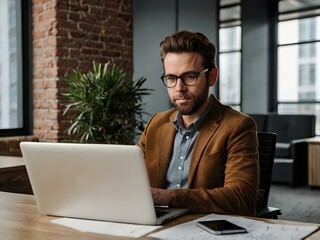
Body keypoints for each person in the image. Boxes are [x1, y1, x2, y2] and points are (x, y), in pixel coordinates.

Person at [137, 30, 259, 216]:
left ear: (212, 76)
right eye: (171, 78)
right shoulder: (156, 124)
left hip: (204, 227)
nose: (179, 88)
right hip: (155, 224)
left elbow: (241, 197)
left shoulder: (238, 126)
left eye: (190, 77)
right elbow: (130, 178)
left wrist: (171, 197)